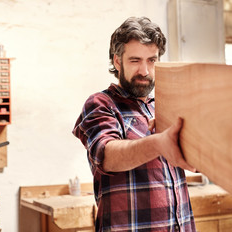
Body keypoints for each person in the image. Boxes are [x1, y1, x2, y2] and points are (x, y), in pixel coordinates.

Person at [72, 16, 196, 231]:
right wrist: (158, 143)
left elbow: (193, 163)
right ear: (117, 61)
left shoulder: (164, 105)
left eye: (152, 60)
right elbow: (106, 156)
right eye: (135, 60)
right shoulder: (101, 104)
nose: (145, 71)